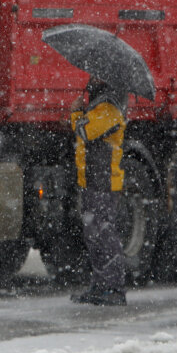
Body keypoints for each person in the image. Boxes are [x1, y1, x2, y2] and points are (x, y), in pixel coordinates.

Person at [69, 77, 128, 306]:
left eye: (99, 78)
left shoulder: (109, 109)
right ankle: (101, 284)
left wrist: (75, 114)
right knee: (94, 235)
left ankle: (113, 288)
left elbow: (85, 131)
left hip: (103, 182)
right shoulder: (102, 108)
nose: (93, 81)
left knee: (103, 234)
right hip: (94, 180)